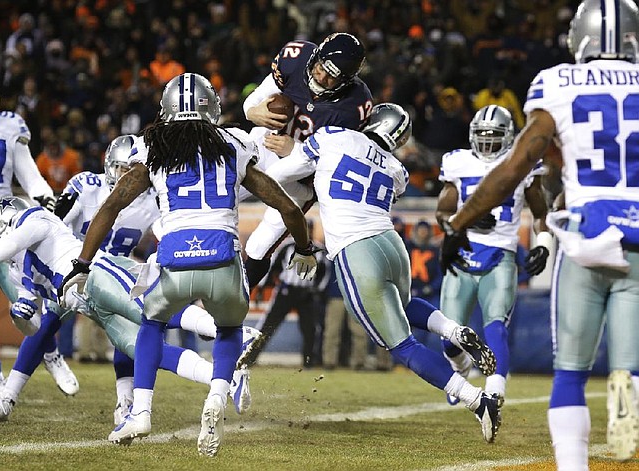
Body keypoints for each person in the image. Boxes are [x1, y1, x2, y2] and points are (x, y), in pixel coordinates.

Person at [58, 72, 317, 457]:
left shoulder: (152, 146)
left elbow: (111, 206)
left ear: (166, 109)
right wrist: (304, 248)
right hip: (223, 259)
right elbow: (285, 205)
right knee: (229, 329)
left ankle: (141, 412)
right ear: (211, 106)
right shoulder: (233, 142)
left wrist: (81, 264)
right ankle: (217, 393)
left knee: (150, 323)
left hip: (174, 260)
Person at [437, 0, 639, 467]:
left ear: (580, 37)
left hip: (586, 235)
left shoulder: (558, 82)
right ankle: (628, 393)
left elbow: (513, 169)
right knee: (629, 366)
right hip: (635, 239)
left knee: (569, 373)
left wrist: (460, 223)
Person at [305, 102, 502, 443]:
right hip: (391, 243)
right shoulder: (398, 167)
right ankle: (453, 331)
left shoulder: (335, 137)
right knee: (403, 302)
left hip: (356, 248)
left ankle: (475, 399)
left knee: (403, 346)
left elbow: (294, 171)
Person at [0, 197, 257, 422]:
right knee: (146, 352)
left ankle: (236, 333)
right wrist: (20, 316)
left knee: (152, 310)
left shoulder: (35, 219)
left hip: (98, 276)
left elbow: (8, 245)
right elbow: (32, 327)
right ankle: (225, 379)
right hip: (91, 308)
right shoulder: (17, 268)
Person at [436, 105, 551, 407]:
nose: (487, 142)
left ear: (509, 137)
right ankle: (460, 369)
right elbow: (443, 212)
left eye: (494, 136)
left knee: (495, 324)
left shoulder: (522, 164)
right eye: (482, 135)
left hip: (501, 253)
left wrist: (545, 242)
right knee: (450, 337)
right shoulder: (457, 162)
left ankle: (495, 390)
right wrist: (465, 218)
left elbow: (541, 213)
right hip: (462, 253)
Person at [241, 32, 373, 292]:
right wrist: (254, 112)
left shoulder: (353, 106)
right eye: (321, 68)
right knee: (219, 194)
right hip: (268, 144)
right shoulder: (296, 58)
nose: (321, 77)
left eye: (331, 76)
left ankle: (232, 305)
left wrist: (297, 150)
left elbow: (333, 164)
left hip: (301, 176)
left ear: (345, 81)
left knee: (259, 245)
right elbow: (254, 101)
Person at [56, 134, 161, 364]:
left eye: (133, 171)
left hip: (116, 272)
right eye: (123, 169)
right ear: (110, 165)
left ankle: (109, 364)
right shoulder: (88, 186)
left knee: (121, 318)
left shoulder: (151, 200)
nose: (128, 176)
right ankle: (62, 354)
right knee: (54, 315)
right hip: (78, 264)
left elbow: (165, 233)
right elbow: (56, 223)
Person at [0, 105, 58, 386]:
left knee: (25, 301)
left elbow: (31, 176)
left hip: (4, 221)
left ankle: (50, 350)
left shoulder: (9, 124)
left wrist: (44, 199)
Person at [245, 225, 329, 368]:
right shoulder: (287, 246)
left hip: (306, 294)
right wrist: (262, 288)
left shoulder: (318, 250)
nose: (306, 232)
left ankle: (309, 362)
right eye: (304, 229)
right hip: (286, 291)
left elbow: (324, 274)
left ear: (312, 231)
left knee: (310, 330)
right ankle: (250, 358)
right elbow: (273, 267)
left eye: (309, 229)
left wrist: (316, 291)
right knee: (268, 326)